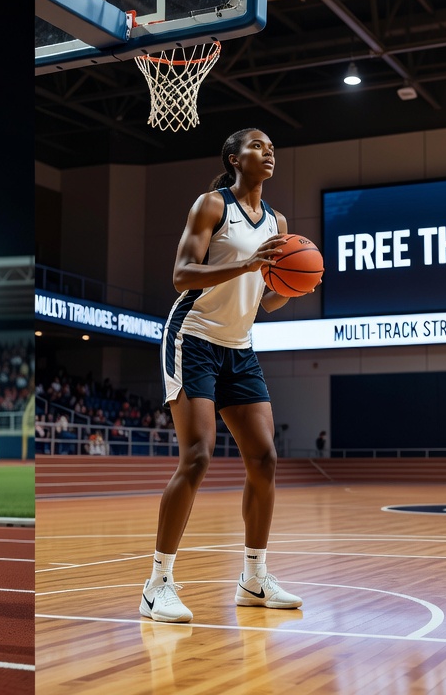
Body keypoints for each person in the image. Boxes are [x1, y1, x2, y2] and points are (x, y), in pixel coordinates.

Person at [140, 128, 316, 623]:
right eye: (257, 146)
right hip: (192, 336)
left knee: (264, 459)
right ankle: (158, 584)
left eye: (272, 147)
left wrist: (294, 283)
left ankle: (255, 580)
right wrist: (245, 263)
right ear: (234, 158)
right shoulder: (210, 206)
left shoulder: (278, 221)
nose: (268, 152)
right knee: (197, 457)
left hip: (239, 346)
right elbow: (181, 275)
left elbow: (266, 298)